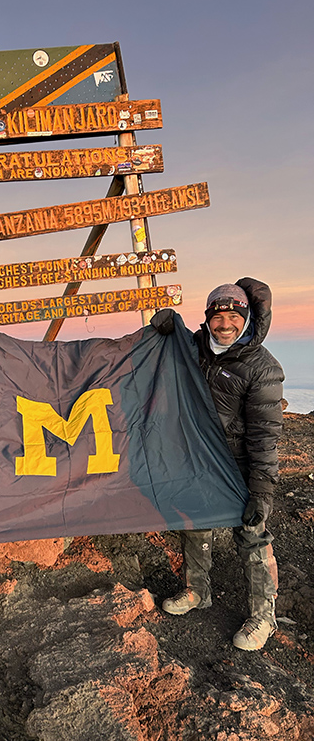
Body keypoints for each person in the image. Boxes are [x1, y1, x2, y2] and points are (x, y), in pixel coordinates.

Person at [151, 278, 284, 651]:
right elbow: (165, 350)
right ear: (208, 317)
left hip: (239, 467)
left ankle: (264, 616)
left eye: (234, 315)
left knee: (253, 537)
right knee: (194, 526)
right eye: (218, 315)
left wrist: (262, 489)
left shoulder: (262, 368)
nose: (225, 324)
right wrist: (163, 329)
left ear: (247, 318)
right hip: (197, 461)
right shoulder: (195, 349)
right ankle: (197, 591)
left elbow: (264, 435)